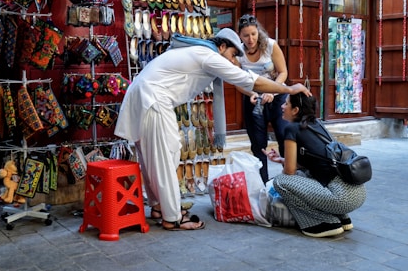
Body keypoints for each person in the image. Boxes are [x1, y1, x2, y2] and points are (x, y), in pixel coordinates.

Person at [114, 28, 311, 231]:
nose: (234, 61)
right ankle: (172, 217)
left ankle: (159, 208)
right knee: (165, 156)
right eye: (233, 55)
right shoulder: (208, 56)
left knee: (153, 159)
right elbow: (249, 80)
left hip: (144, 97)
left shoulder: (200, 52)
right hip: (152, 100)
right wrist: (289, 89)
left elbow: (244, 81)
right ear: (222, 46)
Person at [264, 93, 366, 238]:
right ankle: (343, 218)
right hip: (357, 194)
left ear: (295, 110)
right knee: (304, 174)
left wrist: (285, 164)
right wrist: (281, 159)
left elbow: (289, 171)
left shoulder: (291, 129)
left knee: (281, 182)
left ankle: (325, 223)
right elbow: (310, 163)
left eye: (286, 104)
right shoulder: (317, 124)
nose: (282, 106)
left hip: (341, 198)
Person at [236, 14, 288, 183]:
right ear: (240, 36)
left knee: (284, 136)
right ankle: (263, 185)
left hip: (277, 97)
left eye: (253, 34)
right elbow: (237, 81)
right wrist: (251, 94)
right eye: (246, 35)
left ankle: (291, 181)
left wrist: (272, 92)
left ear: (258, 32)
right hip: (253, 98)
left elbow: (283, 72)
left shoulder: (270, 46)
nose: (250, 39)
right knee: (258, 144)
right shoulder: (238, 53)